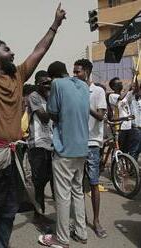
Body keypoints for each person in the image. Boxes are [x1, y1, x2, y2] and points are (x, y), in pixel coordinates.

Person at [0, 4, 66, 247]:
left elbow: (39, 50)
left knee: (7, 211)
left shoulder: (17, 75)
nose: (13, 52)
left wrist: (55, 25)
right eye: (7, 49)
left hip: (9, 156)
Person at [39, 61, 89, 248]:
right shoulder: (83, 85)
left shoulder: (57, 84)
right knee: (77, 192)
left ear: (52, 77)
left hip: (65, 148)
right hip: (82, 148)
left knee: (62, 196)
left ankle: (61, 239)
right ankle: (81, 233)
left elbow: (52, 112)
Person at [73, 59, 108, 239]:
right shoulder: (75, 90)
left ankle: (96, 220)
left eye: (78, 71)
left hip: (92, 144)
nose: (75, 74)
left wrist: (84, 106)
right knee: (76, 186)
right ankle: (80, 221)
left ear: (86, 71)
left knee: (94, 183)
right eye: (74, 71)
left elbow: (101, 116)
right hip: (76, 144)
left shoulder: (98, 91)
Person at [27, 70, 54, 230]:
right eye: (44, 83)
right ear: (37, 83)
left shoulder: (48, 97)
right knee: (39, 183)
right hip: (37, 145)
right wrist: (53, 102)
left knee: (48, 179)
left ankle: (41, 214)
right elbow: (44, 117)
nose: (48, 86)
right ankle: (38, 216)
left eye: (49, 83)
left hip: (51, 144)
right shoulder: (34, 97)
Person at [107, 77, 134, 153]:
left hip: (128, 126)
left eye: (121, 83)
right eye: (119, 84)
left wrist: (133, 77)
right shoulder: (112, 96)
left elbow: (134, 90)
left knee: (127, 150)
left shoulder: (124, 96)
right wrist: (128, 86)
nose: (121, 84)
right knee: (119, 150)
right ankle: (116, 163)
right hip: (119, 127)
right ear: (113, 87)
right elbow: (121, 98)